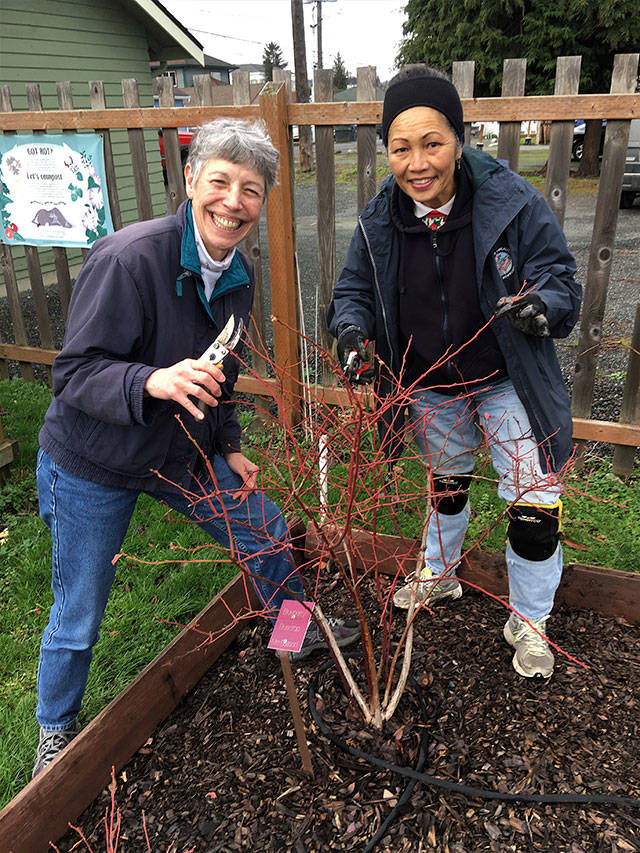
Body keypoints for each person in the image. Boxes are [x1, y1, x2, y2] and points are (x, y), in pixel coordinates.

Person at [33, 119, 359, 778]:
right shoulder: (130, 259)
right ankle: (55, 730)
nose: (233, 201)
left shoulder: (236, 277)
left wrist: (230, 445)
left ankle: (292, 635)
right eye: (220, 181)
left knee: (265, 527)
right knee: (79, 608)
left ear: (262, 199)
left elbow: (224, 374)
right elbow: (72, 374)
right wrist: (151, 378)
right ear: (190, 181)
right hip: (93, 459)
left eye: (250, 188)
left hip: (180, 449)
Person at [328, 66, 581, 681]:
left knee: (532, 500)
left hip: (503, 376)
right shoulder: (378, 220)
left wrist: (540, 307)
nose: (418, 163)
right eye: (401, 147)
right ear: (387, 150)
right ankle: (439, 576)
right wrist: (353, 336)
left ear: (460, 140)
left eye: (432, 143)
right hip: (431, 381)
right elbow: (353, 291)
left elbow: (560, 278)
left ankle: (529, 618)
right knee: (447, 481)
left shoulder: (512, 202)